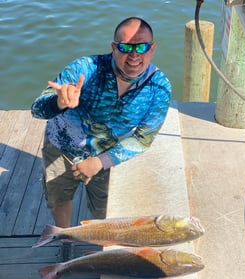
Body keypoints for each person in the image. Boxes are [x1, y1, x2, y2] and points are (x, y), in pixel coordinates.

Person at [31, 16, 171, 259]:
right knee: (58, 198)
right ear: (114, 47)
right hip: (61, 146)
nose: (134, 55)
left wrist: (100, 162)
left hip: (107, 157)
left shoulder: (159, 88)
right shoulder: (84, 69)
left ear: (153, 48)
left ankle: (99, 248)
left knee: (105, 211)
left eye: (142, 47)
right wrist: (59, 102)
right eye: (126, 46)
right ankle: (66, 237)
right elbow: (36, 109)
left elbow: (143, 139)